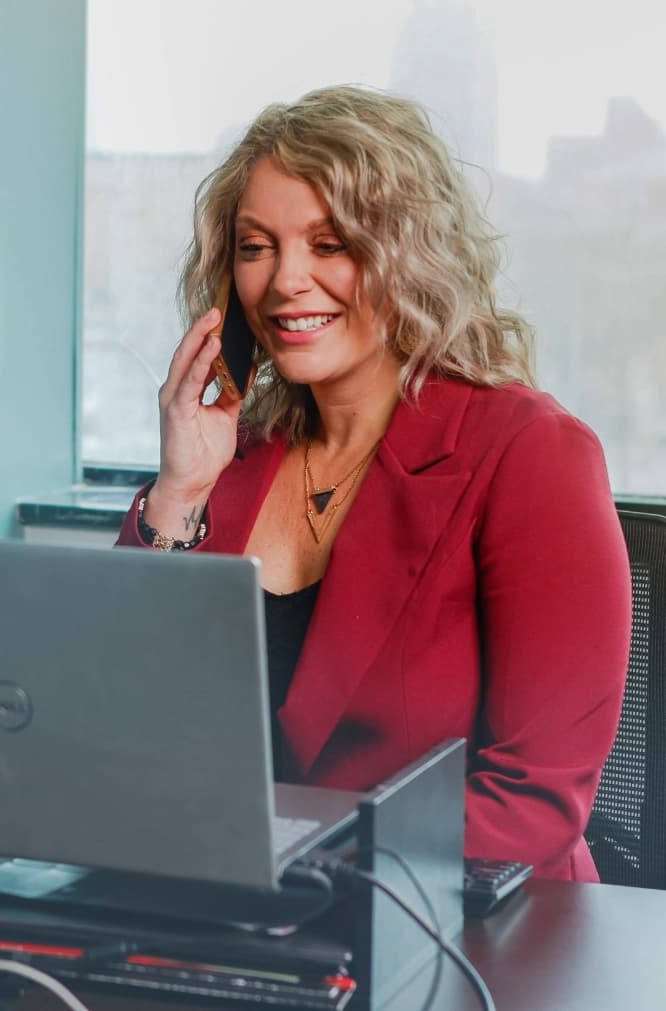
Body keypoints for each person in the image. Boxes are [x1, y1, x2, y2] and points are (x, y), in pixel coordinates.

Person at [115, 85, 631, 882]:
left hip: (464, 920)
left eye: (329, 244)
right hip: (248, 906)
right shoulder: (230, 458)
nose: (285, 281)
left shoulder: (529, 452)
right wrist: (178, 493)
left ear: (408, 254)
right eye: (256, 247)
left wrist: (292, 859)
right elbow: (119, 722)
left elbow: (531, 804)